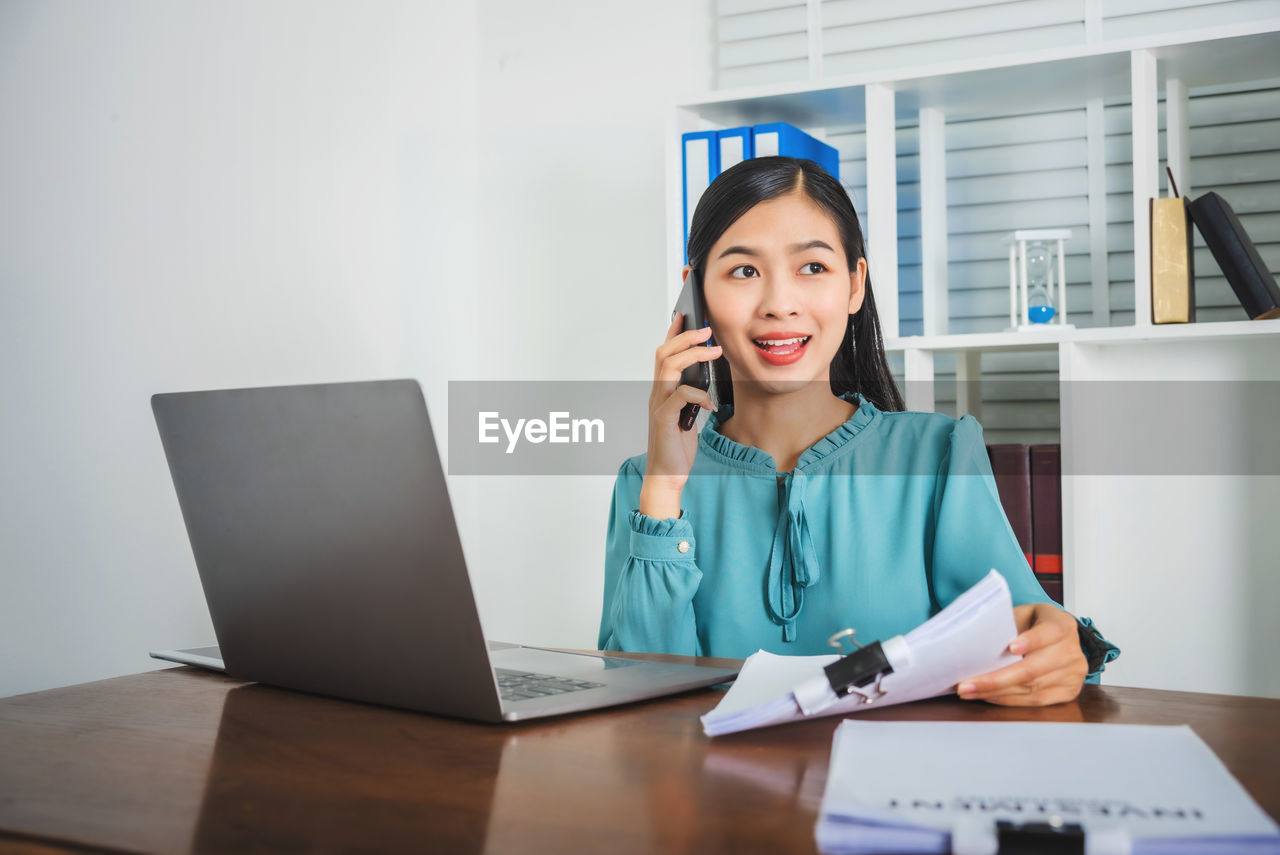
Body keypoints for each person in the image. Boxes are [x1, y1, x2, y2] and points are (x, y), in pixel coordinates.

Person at [598, 156, 1118, 707]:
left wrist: (1059, 645)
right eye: (744, 271)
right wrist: (662, 493)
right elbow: (638, 698)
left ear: (855, 285)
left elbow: (1025, 637)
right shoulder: (647, 482)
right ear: (696, 296)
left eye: (813, 268)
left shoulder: (936, 454)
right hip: (715, 790)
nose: (779, 304)